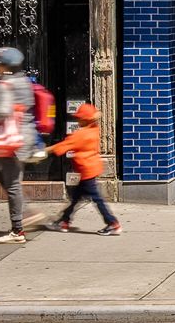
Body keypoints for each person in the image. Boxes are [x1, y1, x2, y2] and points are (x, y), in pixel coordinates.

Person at [0, 45, 44, 240]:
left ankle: (17, 230)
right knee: (7, 180)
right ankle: (28, 213)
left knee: (11, 183)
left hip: (11, 139)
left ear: (5, 66)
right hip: (25, 136)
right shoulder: (24, 81)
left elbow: (3, 112)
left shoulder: (3, 85)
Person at [49, 98, 122, 233]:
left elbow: (62, 146)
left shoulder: (81, 134)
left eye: (79, 118)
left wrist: (45, 150)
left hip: (86, 170)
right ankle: (64, 221)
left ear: (84, 120)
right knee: (76, 198)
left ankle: (112, 222)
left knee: (96, 199)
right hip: (91, 168)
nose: (77, 121)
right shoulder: (93, 129)